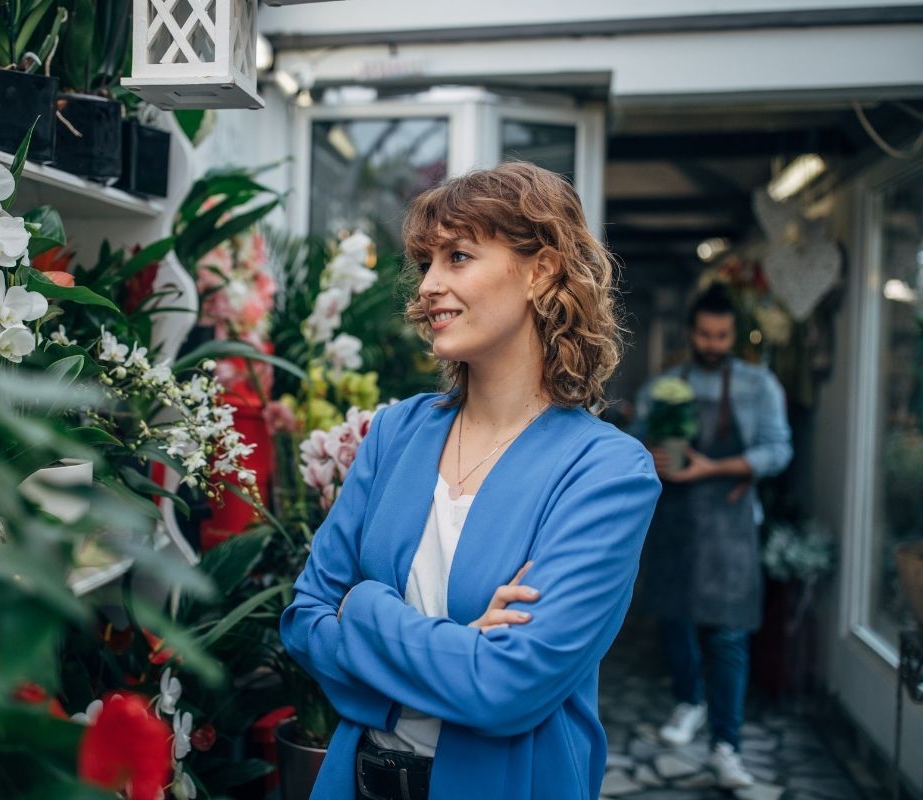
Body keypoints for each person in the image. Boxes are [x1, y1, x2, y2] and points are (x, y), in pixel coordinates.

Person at [280, 162, 662, 800]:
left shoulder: (607, 471)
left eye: (458, 257)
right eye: (426, 262)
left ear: (540, 270)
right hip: (358, 782)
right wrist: (457, 649)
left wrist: (366, 610)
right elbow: (304, 620)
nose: (429, 285)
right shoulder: (397, 433)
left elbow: (505, 690)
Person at [633, 284, 793, 790]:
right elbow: (637, 438)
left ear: (732, 335)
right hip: (676, 523)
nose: (713, 343)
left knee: (726, 635)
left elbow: (778, 450)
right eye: (705, 334)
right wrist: (649, 453)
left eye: (721, 335)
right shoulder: (663, 386)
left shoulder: (759, 385)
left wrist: (712, 467)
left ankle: (727, 744)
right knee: (676, 621)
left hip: (729, 527)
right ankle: (689, 702)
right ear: (691, 332)